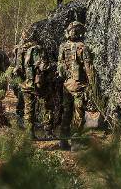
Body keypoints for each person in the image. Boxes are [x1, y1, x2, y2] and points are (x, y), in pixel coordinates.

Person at [57, 20, 96, 150]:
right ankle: (75, 142)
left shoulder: (63, 47)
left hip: (67, 85)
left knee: (66, 112)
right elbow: (88, 68)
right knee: (78, 113)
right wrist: (92, 84)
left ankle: (63, 141)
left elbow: (60, 65)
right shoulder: (82, 47)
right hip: (79, 86)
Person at [13, 29, 54, 139]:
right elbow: (43, 66)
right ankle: (48, 132)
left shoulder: (19, 49)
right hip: (39, 84)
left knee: (28, 109)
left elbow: (17, 67)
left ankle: (29, 133)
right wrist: (52, 67)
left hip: (25, 83)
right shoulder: (38, 49)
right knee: (48, 105)